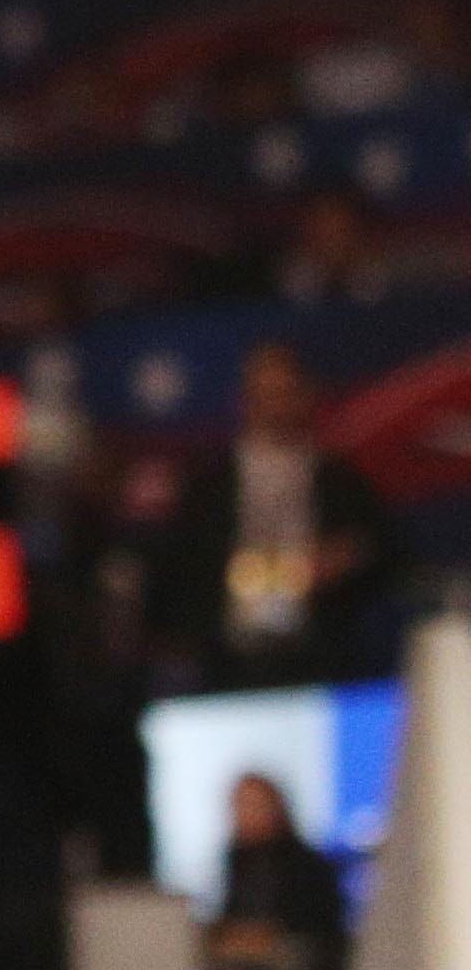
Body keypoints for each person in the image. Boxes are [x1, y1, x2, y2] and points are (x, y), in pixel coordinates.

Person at [147, 344, 396, 686]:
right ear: (244, 400)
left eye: (285, 394)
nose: (275, 407)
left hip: (321, 648)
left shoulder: (342, 482)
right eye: (263, 395)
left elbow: (382, 550)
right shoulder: (209, 486)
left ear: (307, 396)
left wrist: (345, 557)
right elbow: (181, 568)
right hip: (227, 653)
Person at [208, 771, 349, 970]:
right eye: (239, 805)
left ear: (276, 807)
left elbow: (316, 929)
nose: (244, 814)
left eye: (253, 805)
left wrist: (263, 936)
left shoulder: (306, 865)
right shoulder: (238, 861)